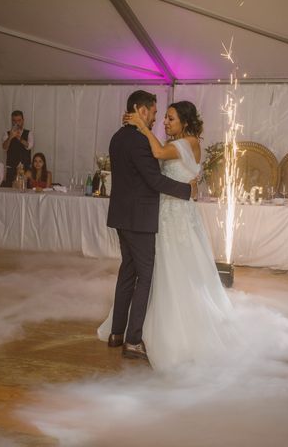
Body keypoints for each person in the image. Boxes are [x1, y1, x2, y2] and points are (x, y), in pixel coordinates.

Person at [98, 99, 238, 370]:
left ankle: (146, 331)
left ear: (185, 123)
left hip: (174, 216)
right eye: (161, 116)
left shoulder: (185, 143)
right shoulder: (179, 144)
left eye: (170, 118)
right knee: (158, 272)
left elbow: (160, 154)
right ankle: (131, 334)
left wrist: (142, 126)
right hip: (162, 215)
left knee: (170, 271)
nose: (163, 121)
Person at [98, 90, 197, 363]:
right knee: (146, 277)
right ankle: (132, 340)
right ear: (141, 110)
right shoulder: (140, 141)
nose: (156, 118)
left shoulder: (118, 137)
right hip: (139, 219)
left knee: (127, 273)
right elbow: (154, 181)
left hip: (121, 217)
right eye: (154, 112)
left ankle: (117, 333)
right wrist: (187, 190)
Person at [1, 110, 33, 186]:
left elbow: (29, 146)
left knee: (25, 191)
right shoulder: (7, 134)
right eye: (14, 121)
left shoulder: (29, 133)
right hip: (11, 168)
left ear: (23, 121)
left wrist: (19, 137)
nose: (16, 123)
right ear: (12, 121)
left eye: (19, 120)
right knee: (10, 192)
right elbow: (4, 147)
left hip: (25, 168)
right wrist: (10, 137)